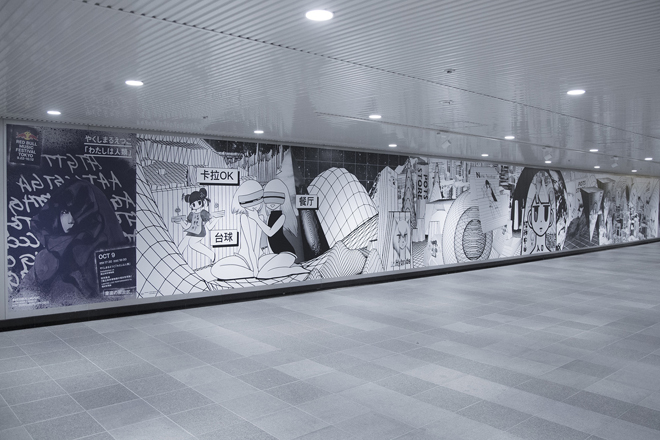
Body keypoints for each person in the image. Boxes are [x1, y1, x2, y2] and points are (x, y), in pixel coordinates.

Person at [15, 179, 128, 305]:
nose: (70, 220)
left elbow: (118, 298)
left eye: (77, 212)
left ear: (88, 214)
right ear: (57, 213)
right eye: (65, 212)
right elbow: (22, 297)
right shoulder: (45, 257)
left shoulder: (102, 253)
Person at [172, 188, 224, 262]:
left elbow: (209, 227)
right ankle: (176, 260)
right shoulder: (191, 214)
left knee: (192, 243)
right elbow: (187, 227)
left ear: (202, 202)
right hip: (192, 232)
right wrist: (181, 222)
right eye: (193, 204)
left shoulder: (203, 213)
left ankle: (212, 255)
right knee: (182, 245)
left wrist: (216, 219)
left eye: (198, 203)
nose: (195, 205)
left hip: (200, 232)